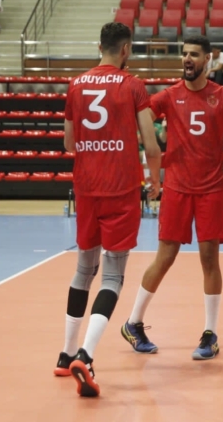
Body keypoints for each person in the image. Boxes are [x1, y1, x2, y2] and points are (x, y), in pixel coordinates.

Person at [121, 35, 223, 360]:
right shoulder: (169, 96)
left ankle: (210, 333)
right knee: (165, 257)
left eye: (194, 54)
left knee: (210, 260)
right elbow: (140, 119)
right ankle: (133, 322)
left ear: (208, 60)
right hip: (177, 189)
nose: (187, 59)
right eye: (185, 54)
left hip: (210, 190)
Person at [55, 22, 162, 398]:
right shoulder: (133, 86)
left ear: (99, 46)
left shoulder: (76, 84)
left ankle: (66, 354)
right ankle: (86, 355)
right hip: (121, 188)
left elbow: (69, 142)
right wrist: (155, 181)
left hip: (86, 188)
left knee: (84, 269)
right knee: (113, 276)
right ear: (126, 49)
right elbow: (151, 145)